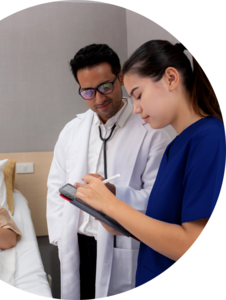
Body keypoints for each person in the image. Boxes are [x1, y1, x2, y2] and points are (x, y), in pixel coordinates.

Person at [75, 40, 225, 288]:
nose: (136, 109)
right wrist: (116, 223)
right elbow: (163, 223)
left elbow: (192, 245)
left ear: (170, 78)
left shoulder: (210, 140)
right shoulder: (176, 146)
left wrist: (112, 206)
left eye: (138, 95)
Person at [47, 44, 171, 299]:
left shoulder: (153, 132)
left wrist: (115, 194)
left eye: (106, 86)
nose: (99, 98)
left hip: (123, 244)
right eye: (88, 91)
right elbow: (55, 186)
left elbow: (159, 199)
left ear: (121, 78)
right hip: (76, 243)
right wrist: (61, 238)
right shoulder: (72, 130)